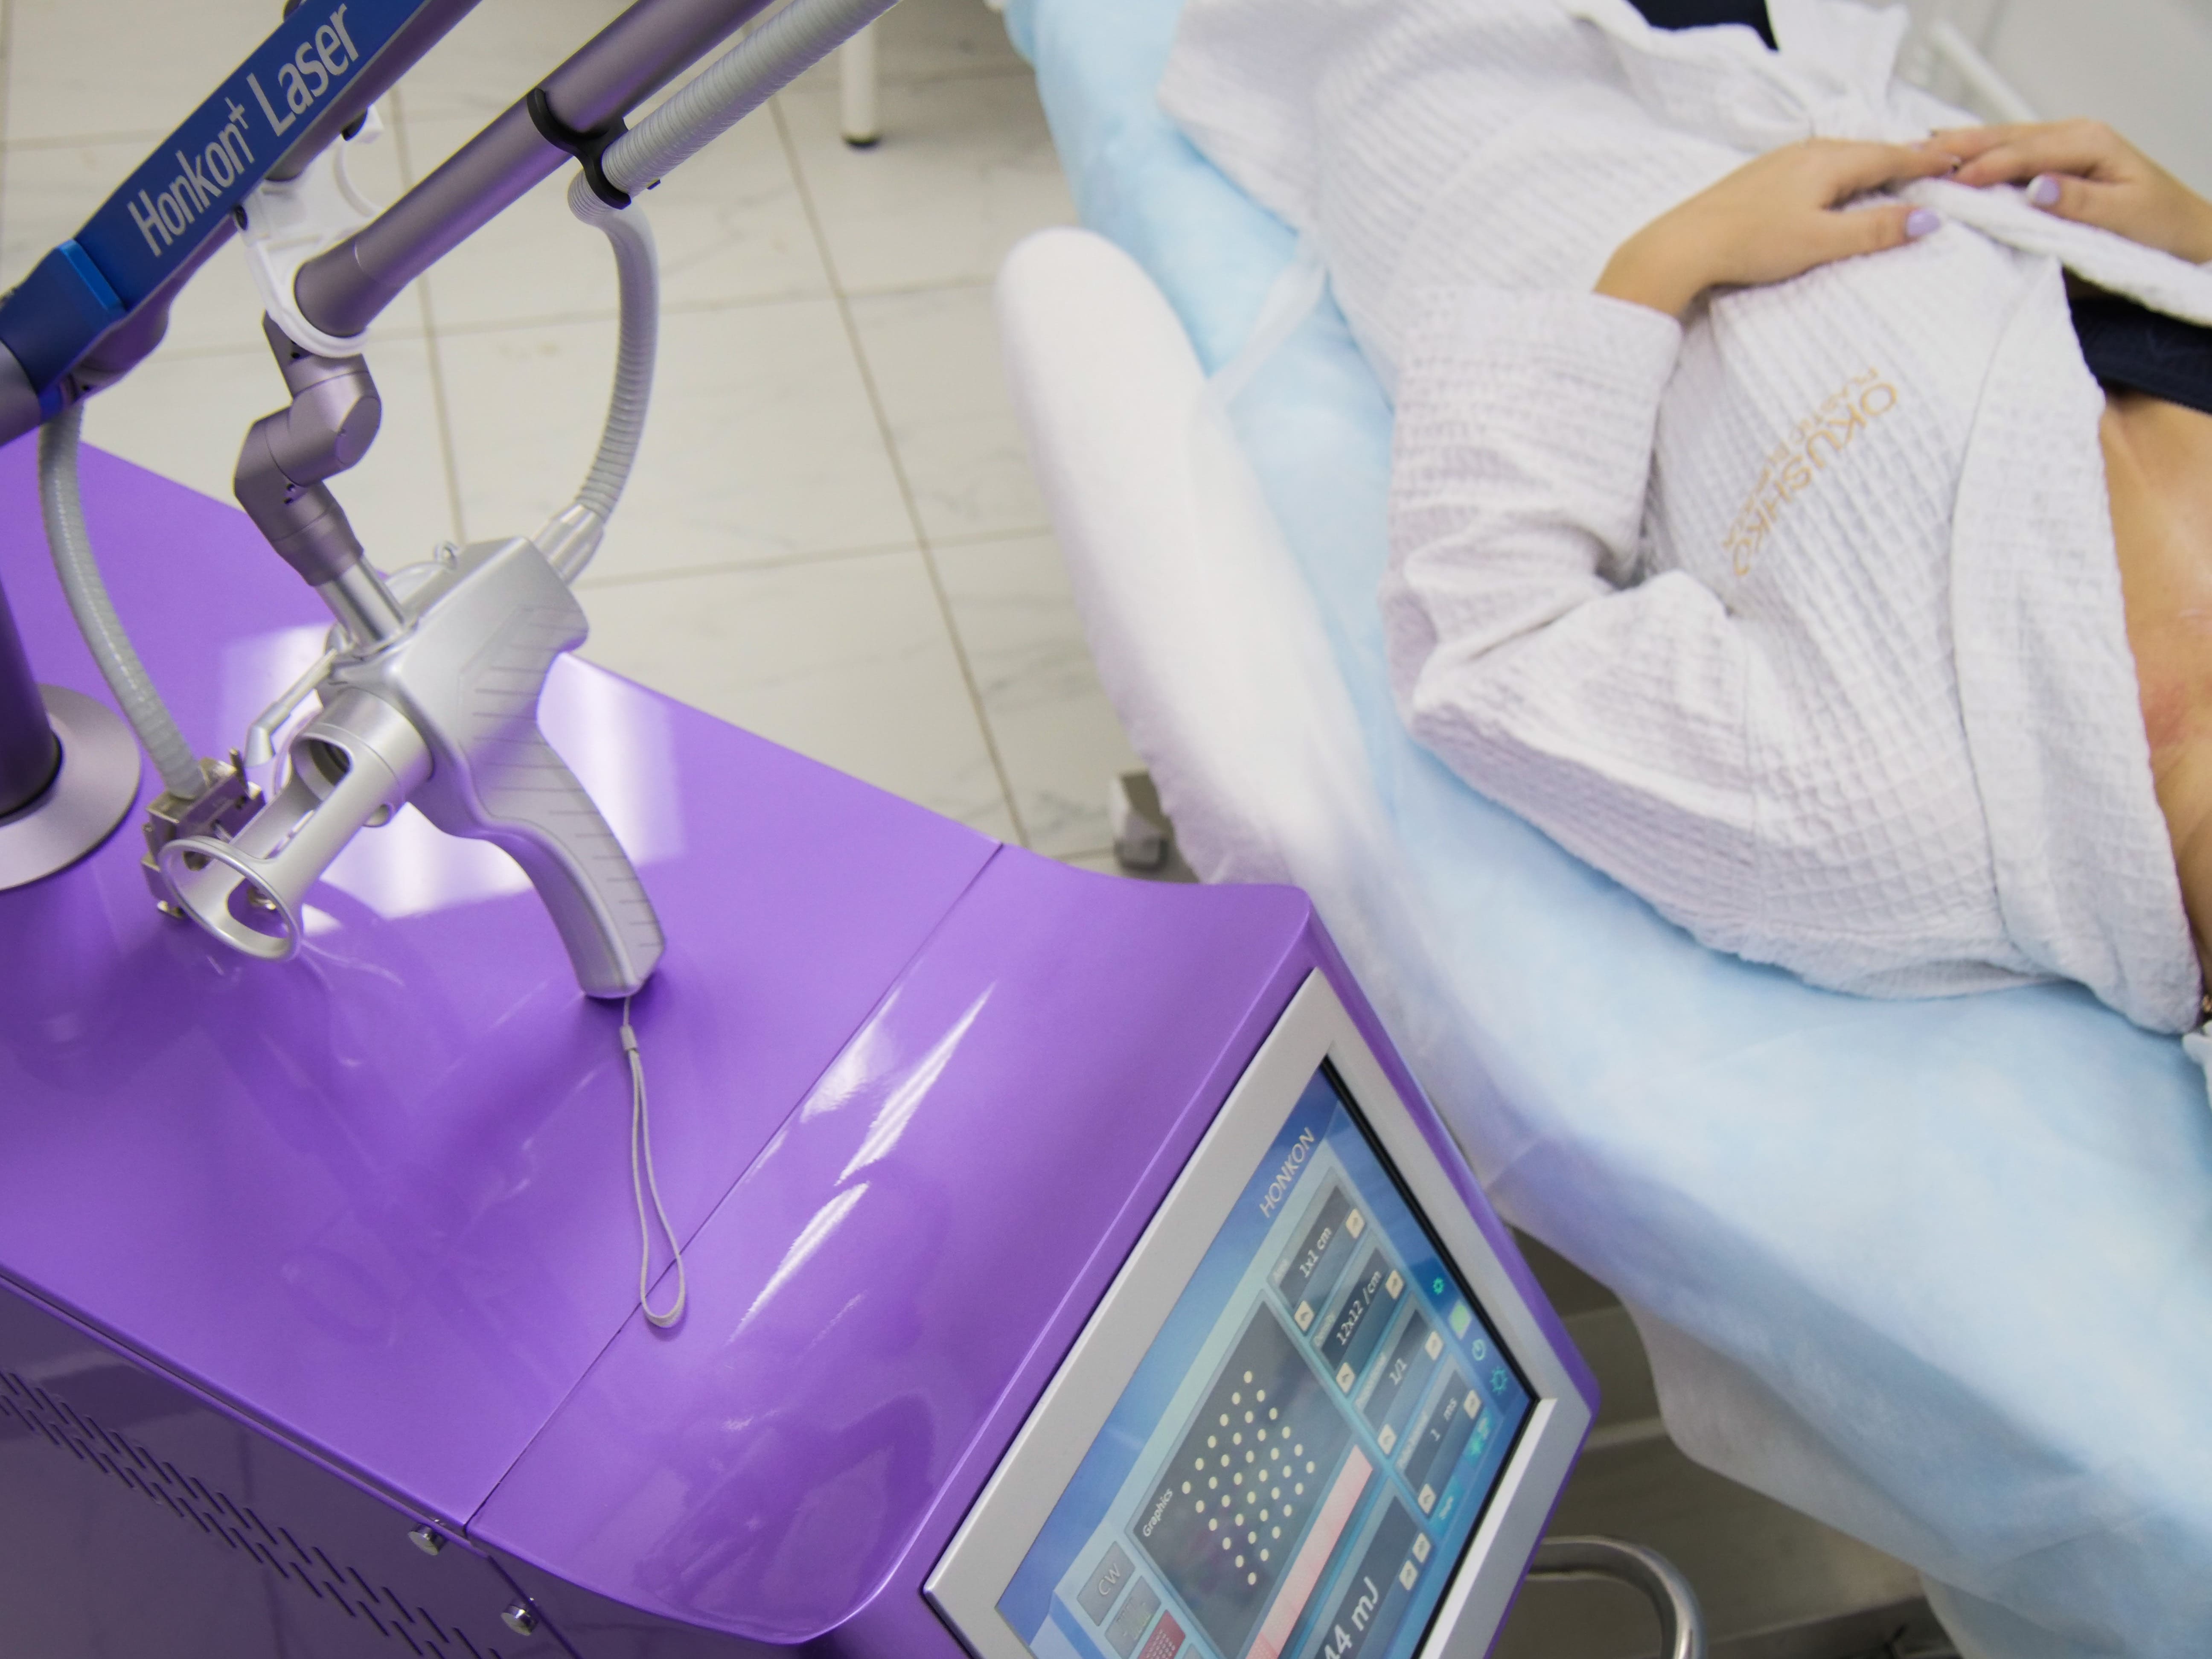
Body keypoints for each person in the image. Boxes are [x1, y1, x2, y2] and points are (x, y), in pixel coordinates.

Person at [1162, 0, 2212, 1032]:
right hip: (1794, 65)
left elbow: (1489, 640)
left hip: (1527, 142)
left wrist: (1671, 256)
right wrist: (2199, 242)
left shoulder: (1902, 826)